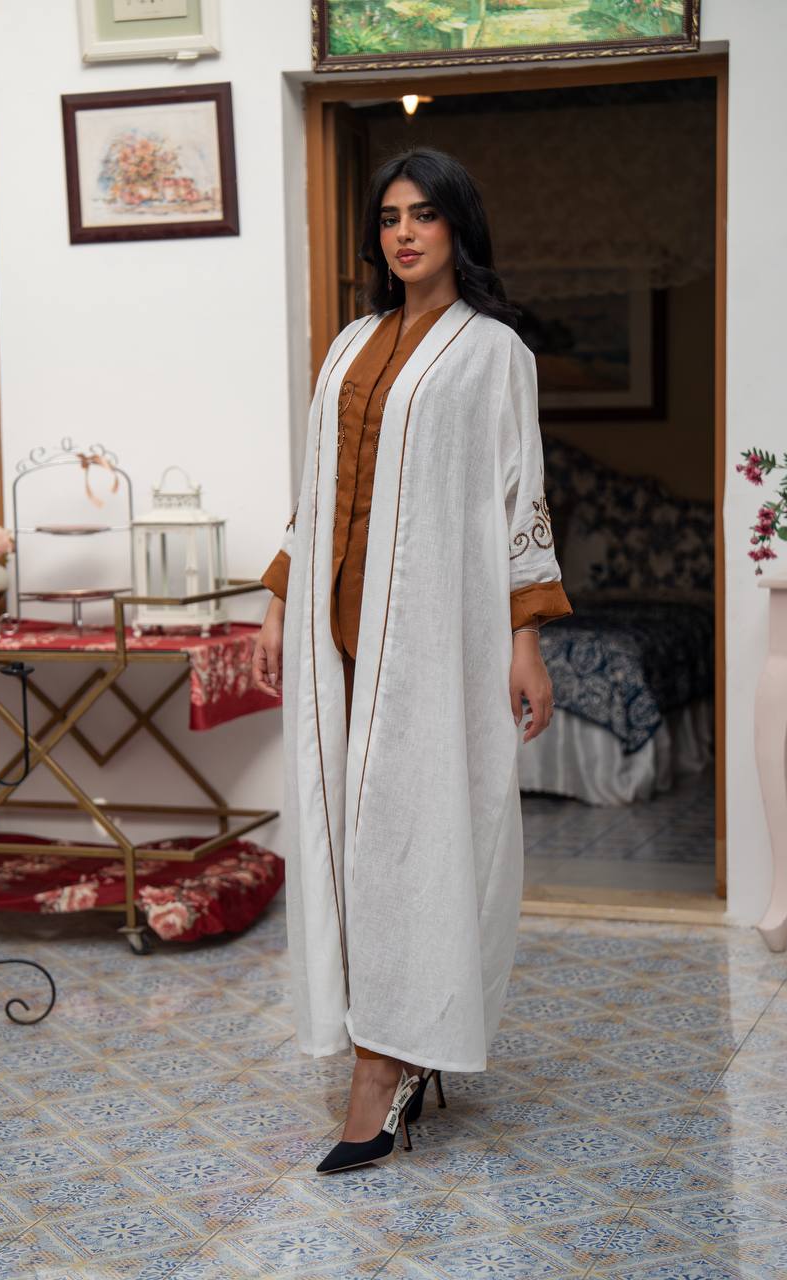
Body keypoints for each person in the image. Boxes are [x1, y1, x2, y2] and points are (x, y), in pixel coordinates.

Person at [254, 147, 572, 1174]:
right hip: (336, 642)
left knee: (412, 843)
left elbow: (519, 497)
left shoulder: (493, 353)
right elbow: (317, 484)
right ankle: (383, 1038)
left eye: (423, 215)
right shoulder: (349, 345)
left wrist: (525, 639)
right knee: (346, 844)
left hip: (434, 643)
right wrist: (280, 599)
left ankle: (384, 1065)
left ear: (456, 227)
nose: (403, 233)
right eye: (389, 217)